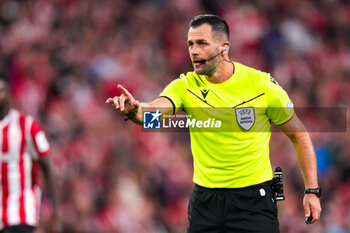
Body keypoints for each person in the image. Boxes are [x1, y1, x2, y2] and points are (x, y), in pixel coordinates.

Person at [106, 14, 321, 232]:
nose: (194, 51)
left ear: (224, 47)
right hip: (206, 203)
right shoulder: (185, 86)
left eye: (202, 43)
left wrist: (312, 191)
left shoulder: (261, 85)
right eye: (190, 44)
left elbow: (299, 135)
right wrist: (135, 111)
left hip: (253, 201)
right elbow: (153, 115)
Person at [0, 75, 61, 233]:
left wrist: (55, 213)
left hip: (21, 212)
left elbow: (47, 167)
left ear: (9, 93)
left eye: (1, 91)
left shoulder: (27, 126)